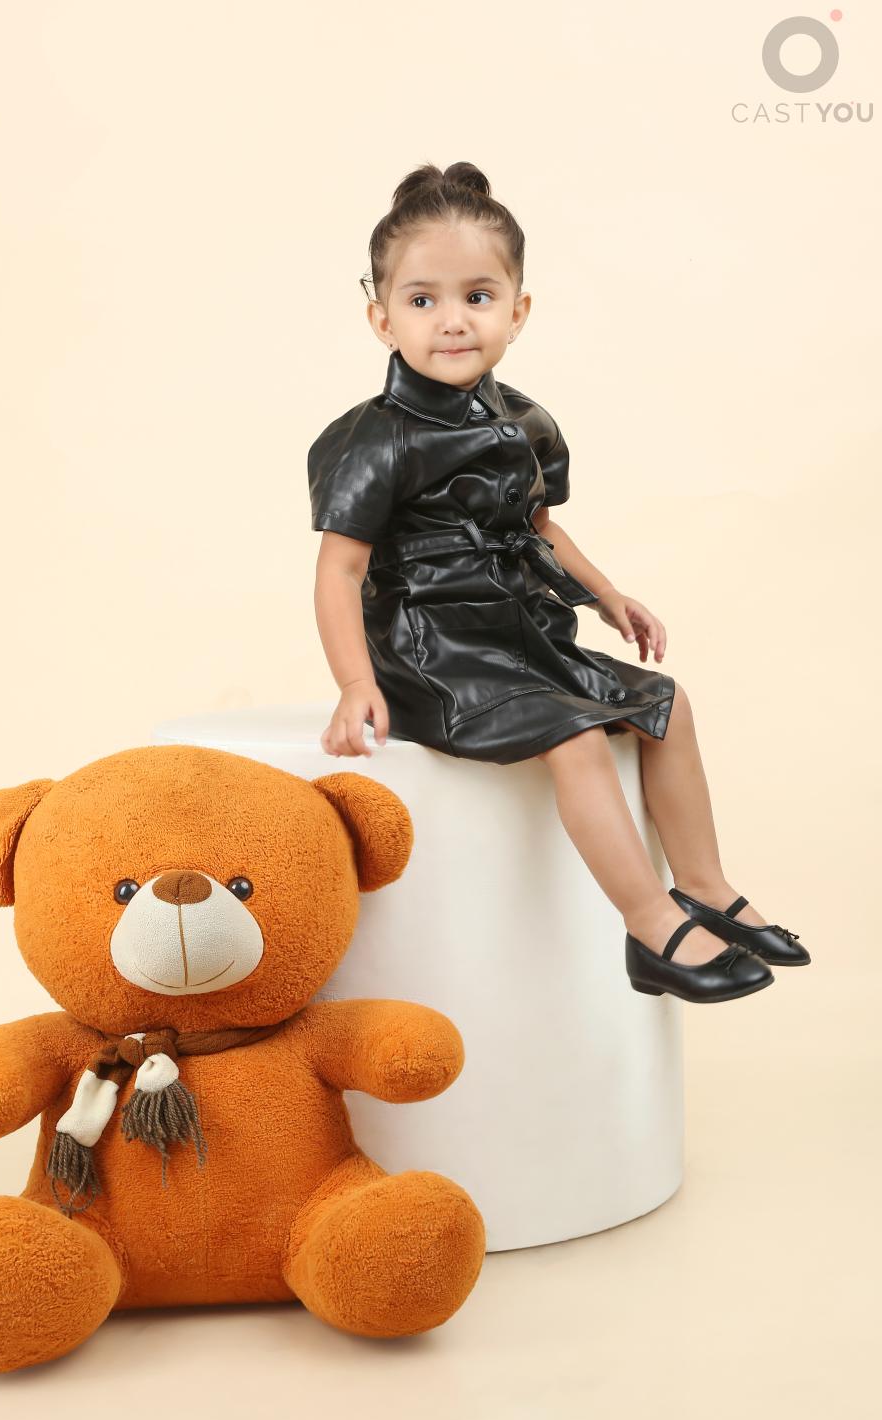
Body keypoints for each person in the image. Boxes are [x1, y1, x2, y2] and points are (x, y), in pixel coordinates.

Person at [308, 161, 809, 1003]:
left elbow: (539, 526)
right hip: (433, 649)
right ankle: (650, 924)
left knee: (666, 704)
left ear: (518, 311)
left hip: (517, 630)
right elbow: (340, 569)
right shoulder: (375, 439)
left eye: (478, 296)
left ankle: (705, 884)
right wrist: (356, 683)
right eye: (423, 300)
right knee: (574, 738)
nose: (453, 320)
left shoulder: (525, 420)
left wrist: (608, 595)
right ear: (382, 318)